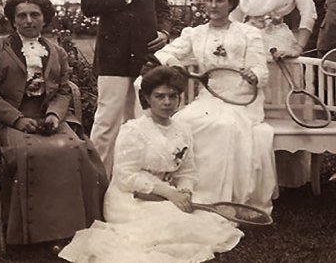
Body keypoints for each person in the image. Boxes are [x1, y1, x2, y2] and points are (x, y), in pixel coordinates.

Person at [59, 66, 243, 262]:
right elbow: (125, 176)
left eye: (173, 96)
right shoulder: (133, 130)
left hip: (166, 192)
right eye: (159, 96)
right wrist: (169, 193)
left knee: (197, 219)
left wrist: (185, 191)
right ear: (147, 98)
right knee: (171, 224)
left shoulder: (184, 130)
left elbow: (187, 171)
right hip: (129, 198)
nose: (167, 102)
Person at [0, 0, 107, 246]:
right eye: (21, 15)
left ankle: (73, 227)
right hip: (8, 118)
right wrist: (17, 119)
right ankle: (34, 233)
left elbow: (64, 90)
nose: (28, 21)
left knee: (76, 149)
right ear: (12, 20)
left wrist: (55, 116)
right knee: (31, 152)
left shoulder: (56, 51)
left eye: (35, 15)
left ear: (44, 19)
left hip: (47, 115)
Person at [155, 0, 277, 213]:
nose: (213, 5)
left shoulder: (248, 33)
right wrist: (174, 62)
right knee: (183, 121)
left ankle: (217, 198)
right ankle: (187, 190)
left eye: (219, 0)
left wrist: (253, 75)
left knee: (223, 126)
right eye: (209, 0)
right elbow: (164, 53)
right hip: (209, 97)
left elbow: (261, 70)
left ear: (231, 4)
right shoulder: (195, 33)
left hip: (242, 99)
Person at [81, 0, 171, 176]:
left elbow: (162, 7)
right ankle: (98, 184)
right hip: (114, 56)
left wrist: (165, 32)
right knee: (107, 123)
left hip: (145, 57)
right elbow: (88, 5)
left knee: (140, 122)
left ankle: (133, 181)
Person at [230, 0, 317, 188]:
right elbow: (235, 15)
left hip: (279, 43)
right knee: (248, 103)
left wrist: (298, 46)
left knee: (280, 105)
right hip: (248, 41)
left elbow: (309, 13)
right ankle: (252, 178)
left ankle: (286, 178)